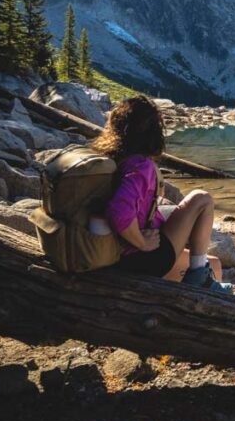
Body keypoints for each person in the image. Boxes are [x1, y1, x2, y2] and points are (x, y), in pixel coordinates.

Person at [92, 95, 227, 292]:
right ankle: (199, 278)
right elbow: (119, 213)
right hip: (142, 257)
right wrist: (142, 242)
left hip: (111, 251)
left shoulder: (112, 157)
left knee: (214, 264)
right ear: (153, 131)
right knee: (201, 199)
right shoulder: (140, 166)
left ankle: (202, 276)